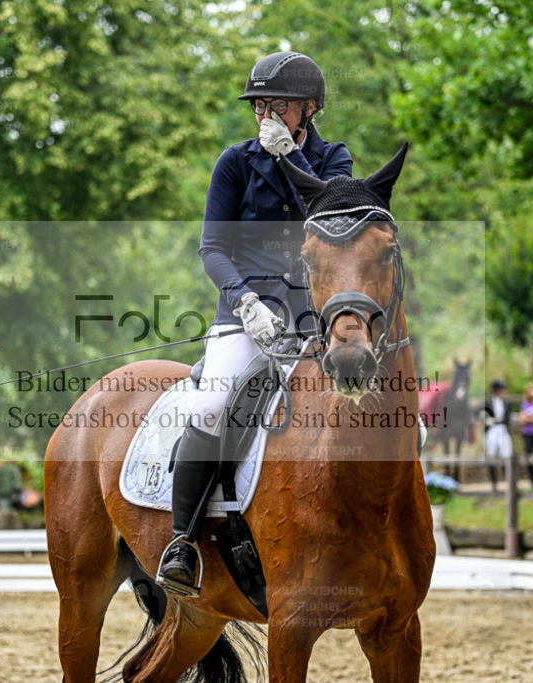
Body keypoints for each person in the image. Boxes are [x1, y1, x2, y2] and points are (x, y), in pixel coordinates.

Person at [156, 51, 353, 596]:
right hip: (245, 318)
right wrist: (244, 302)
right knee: (214, 404)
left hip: (315, 320)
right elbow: (213, 247)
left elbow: (331, 223)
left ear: (309, 109)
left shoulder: (336, 160)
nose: (265, 114)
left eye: (279, 105)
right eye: (259, 104)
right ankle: (182, 543)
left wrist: (292, 161)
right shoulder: (235, 161)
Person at [477, 379, 513, 493]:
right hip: (491, 429)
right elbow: (480, 414)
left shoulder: (506, 402)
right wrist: (486, 420)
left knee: (506, 453)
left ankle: (507, 482)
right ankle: (494, 484)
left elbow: (507, 418)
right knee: (491, 454)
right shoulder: (487, 402)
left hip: (502, 428)